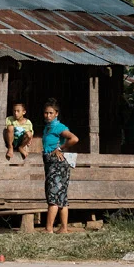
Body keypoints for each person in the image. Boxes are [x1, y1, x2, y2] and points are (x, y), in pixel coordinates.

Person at [40, 98, 80, 233]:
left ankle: (49, 228)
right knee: (61, 195)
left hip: (57, 163)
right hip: (52, 163)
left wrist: (61, 148)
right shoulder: (48, 127)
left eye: (51, 113)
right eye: (46, 113)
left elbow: (74, 138)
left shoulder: (59, 127)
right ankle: (63, 228)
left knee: (53, 195)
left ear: (56, 113)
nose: (48, 115)